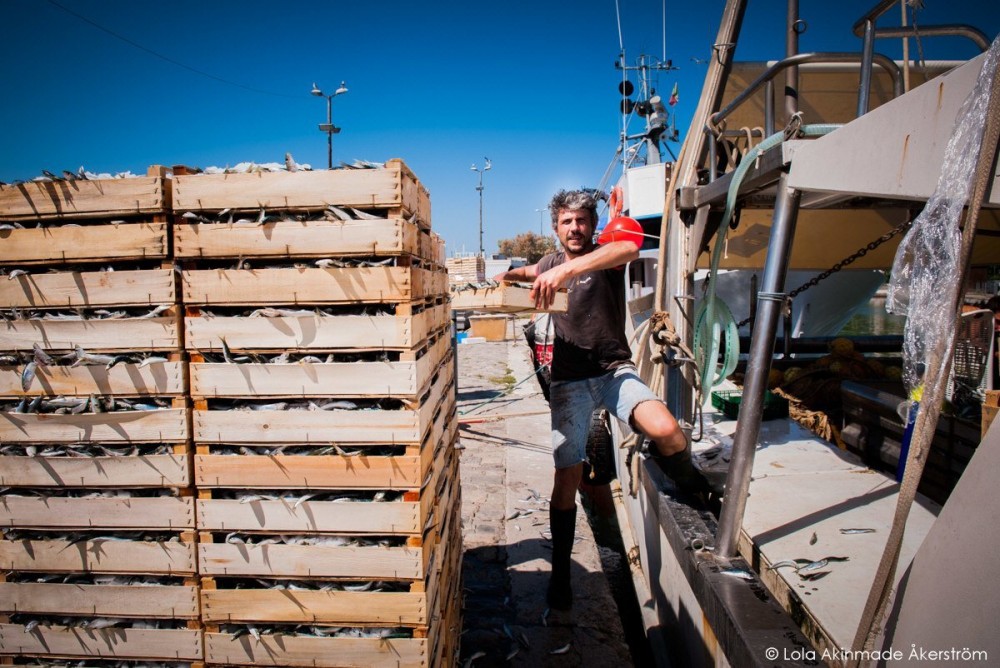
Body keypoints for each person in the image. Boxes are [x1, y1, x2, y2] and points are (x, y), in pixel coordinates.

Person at [496, 189, 714, 611]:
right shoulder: (549, 263)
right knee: (566, 477)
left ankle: (695, 488)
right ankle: (561, 574)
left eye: (581, 221)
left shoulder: (608, 256)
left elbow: (630, 247)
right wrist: (506, 277)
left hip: (614, 372)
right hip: (568, 383)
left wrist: (570, 270)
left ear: (592, 225)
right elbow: (529, 272)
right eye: (566, 222)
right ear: (555, 227)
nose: (574, 228)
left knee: (667, 430)